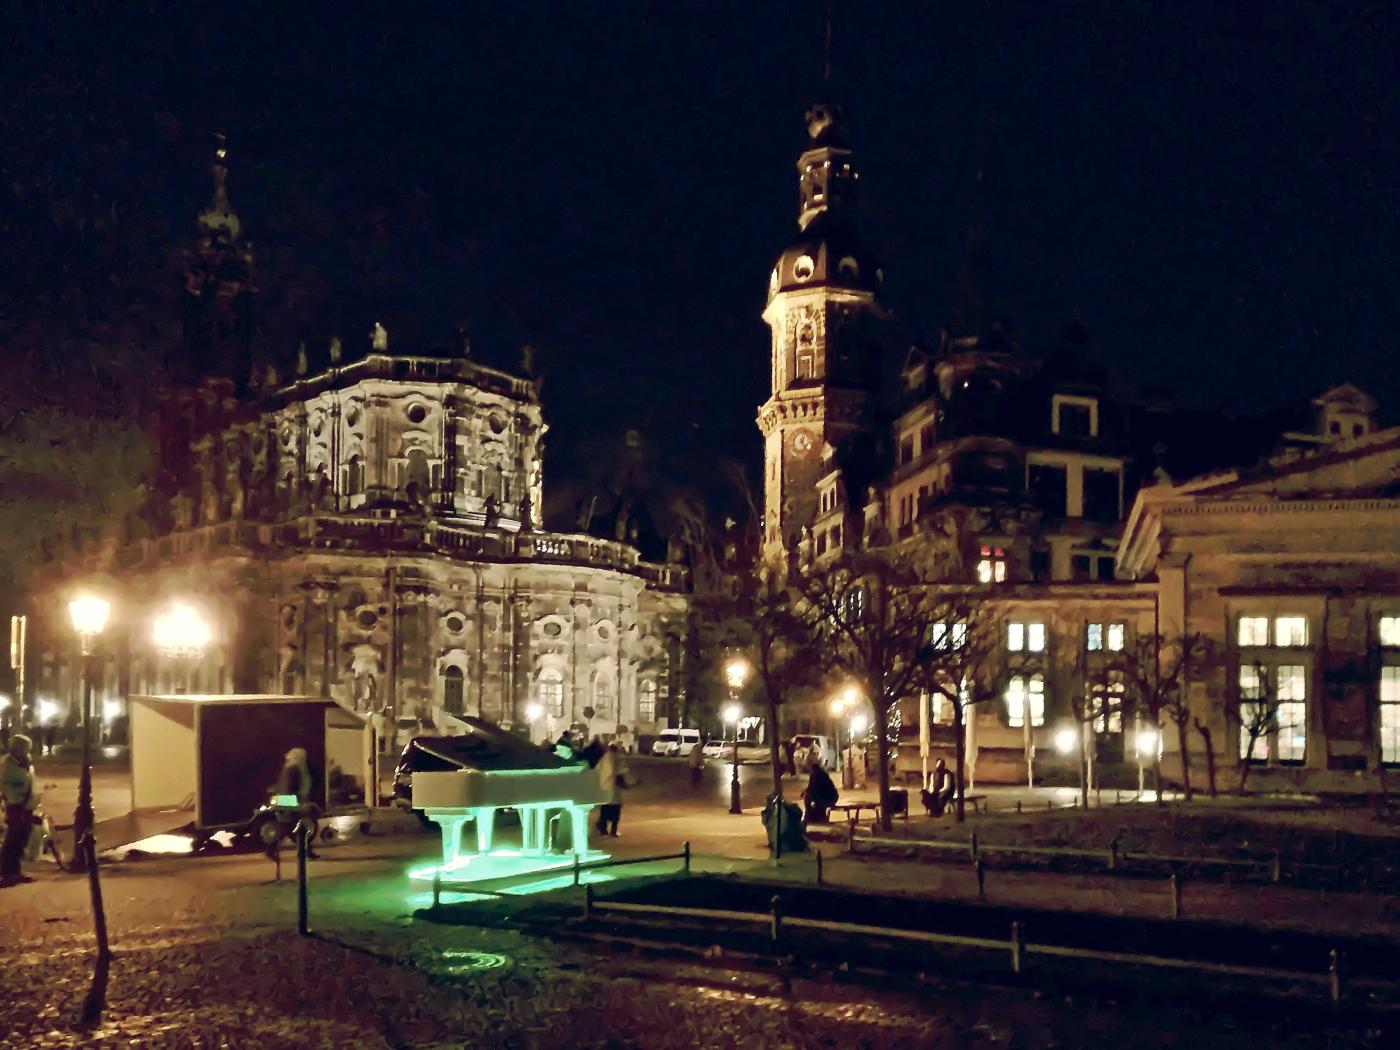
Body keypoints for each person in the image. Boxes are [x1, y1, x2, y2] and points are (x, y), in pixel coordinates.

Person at [269, 747, 320, 859]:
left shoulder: (288, 768)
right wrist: (297, 804)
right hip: (288, 802)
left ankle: (272, 850)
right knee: (294, 830)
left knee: (286, 829)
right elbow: (289, 789)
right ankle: (306, 852)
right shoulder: (294, 770)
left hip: (284, 801)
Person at [1, 734, 37, 886]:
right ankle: (7, 872)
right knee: (13, 840)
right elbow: (9, 787)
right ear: (17, 748)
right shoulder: (7, 766)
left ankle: (15, 871)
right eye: (25, 748)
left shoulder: (25, 761)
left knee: (22, 838)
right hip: (16, 807)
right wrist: (17, 803)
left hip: (27, 806)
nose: (27, 751)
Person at [595, 743, 634, 837]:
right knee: (615, 811)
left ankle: (602, 829)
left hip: (604, 788)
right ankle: (613, 831)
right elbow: (619, 775)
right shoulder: (618, 759)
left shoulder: (603, 759)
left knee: (605, 810)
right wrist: (627, 786)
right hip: (614, 789)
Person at [801, 756, 839, 824]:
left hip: (827, 798)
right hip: (831, 796)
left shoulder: (816, 775)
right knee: (810, 797)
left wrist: (805, 792)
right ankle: (813, 815)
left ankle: (808, 814)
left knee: (807, 797)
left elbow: (812, 788)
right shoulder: (821, 773)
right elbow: (812, 788)